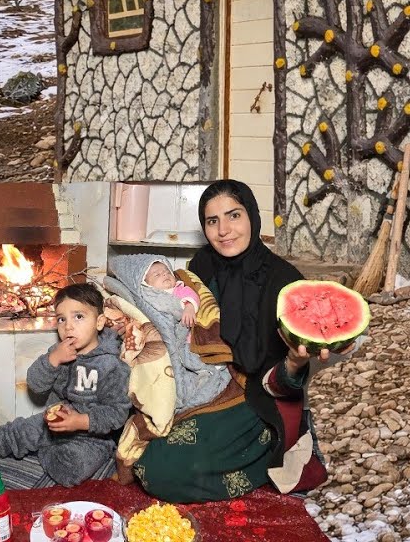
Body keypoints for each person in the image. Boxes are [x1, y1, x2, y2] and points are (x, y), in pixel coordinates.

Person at [130, 180, 342, 502]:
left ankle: (272, 453)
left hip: (258, 397)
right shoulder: (201, 266)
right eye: (212, 221)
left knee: (160, 472)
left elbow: (286, 375)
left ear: (253, 217)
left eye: (234, 215)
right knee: (139, 455)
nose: (224, 230)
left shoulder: (285, 281)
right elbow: (177, 316)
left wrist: (296, 363)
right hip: (203, 381)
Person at [0, 283, 132, 485]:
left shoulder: (112, 366)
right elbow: (36, 385)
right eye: (61, 319)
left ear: (99, 322)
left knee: (73, 468)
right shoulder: (59, 350)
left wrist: (80, 421)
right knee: (16, 430)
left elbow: (116, 413)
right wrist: (53, 360)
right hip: (51, 422)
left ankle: (44, 450)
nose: (68, 326)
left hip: (91, 437)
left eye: (78, 317)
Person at [111, 253, 232, 414]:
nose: (165, 275)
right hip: (160, 337)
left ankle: (208, 370)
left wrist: (189, 307)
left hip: (185, 337)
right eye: (157, 274)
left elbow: (192, 296)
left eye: (167, 272)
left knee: (189, 357)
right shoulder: (146, 296)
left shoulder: (179, 289)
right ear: (145, 282)